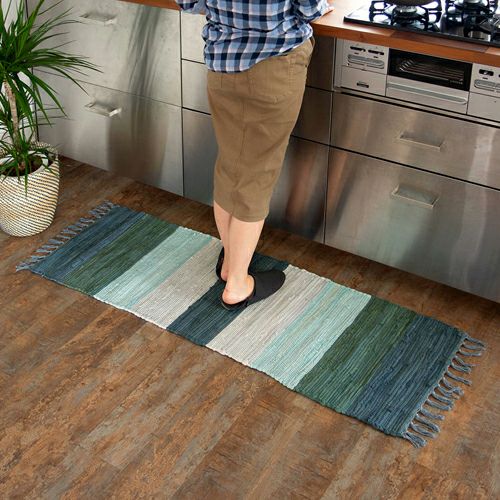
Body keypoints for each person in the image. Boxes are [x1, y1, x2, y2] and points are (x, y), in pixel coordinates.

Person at [175, 0, 334, 310]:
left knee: (231, 166)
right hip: (274, 68)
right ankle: (237, 285)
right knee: (257, 176)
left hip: (222, 64)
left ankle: (230, 264)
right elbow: (310, 9)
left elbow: (188, 2)